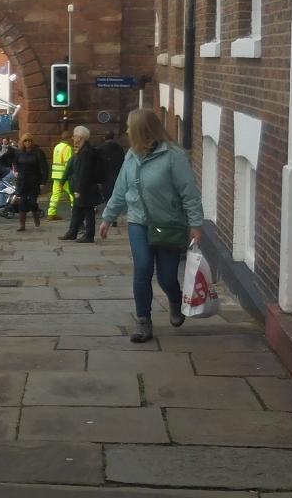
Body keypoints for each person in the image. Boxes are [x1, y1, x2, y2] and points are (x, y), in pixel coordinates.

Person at [100, 109, 205, 343]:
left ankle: (175, 300)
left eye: (130, 126)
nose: (127, 130)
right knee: (143, 268)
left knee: (167, 278)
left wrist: (196, 223)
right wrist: (108, 217)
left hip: (168, 224)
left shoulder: (173, 156)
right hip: (138, 222)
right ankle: (143, 322)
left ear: (142, 130)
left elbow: (189, 193)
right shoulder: (131, 156)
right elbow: (121, 189)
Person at [61, 126, 101, 243]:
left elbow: (84, 172)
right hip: (82, 186)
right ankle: (72, 232)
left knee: (88, 211)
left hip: (86, 188)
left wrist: (79, 189)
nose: (73, 138)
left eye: (74, 136)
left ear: (80, 137)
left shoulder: (86, 152)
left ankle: (89, 235)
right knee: (77, 209)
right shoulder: (81, 150)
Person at [13, 134, 49, 231]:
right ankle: (22, 225)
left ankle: (36, 216)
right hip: (22, 181)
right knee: (22, 202)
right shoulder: (19, 152)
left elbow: (44, 168)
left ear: (32, 141)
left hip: (34, 181)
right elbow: (15, 164)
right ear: (22, 142)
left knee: (32, 202)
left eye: (29, 140)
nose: (27, 142)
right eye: (25, 141)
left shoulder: (38, 152)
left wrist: (43, 182)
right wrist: (16, 173)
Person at [48, 130, 74, 221]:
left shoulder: (57, 147)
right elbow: (68, 164)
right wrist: (71, 174)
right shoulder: (67, 148)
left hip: (56, 175)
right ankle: (75, 212)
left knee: (55, 194)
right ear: (69, 138)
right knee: (72, 193)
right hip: (64, 176)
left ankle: (51, 213)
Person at [97, 131, 126, 203]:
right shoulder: (119, 148)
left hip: (105, 176)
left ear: (104, 137)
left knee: (107, 197)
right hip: (117, 175)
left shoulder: (100, 148)